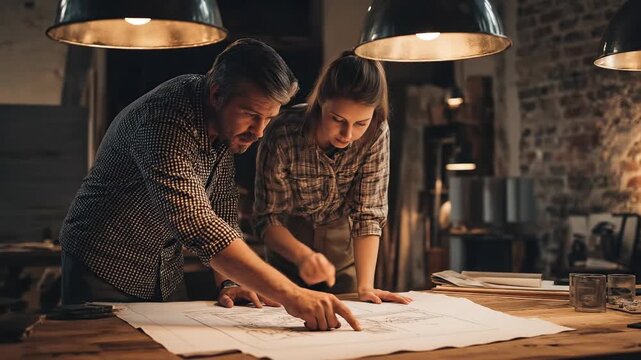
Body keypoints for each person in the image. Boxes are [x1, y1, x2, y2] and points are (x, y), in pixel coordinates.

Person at [58, 39, 360, 331]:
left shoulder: (223, 127)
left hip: (164, 273)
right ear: (217, 95)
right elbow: (198, 224)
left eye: (269, 118)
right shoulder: (165, 120)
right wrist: (293, 294)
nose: (258, 132)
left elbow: (222, 208)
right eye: (252, 115)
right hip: (103, 268)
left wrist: (229, 282)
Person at [253, 52, 411, 305]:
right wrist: (303, 256)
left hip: (344, 258)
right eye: (338, 120)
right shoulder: (283, 131)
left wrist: (366, 286)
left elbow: (368, 214)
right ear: (320, 102)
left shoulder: (377, 132)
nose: (348, 134)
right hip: (288, 258)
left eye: (360, 123)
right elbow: (267, 217)